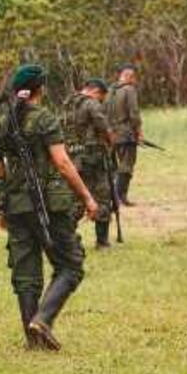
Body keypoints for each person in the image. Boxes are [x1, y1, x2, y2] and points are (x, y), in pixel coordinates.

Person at [0, 65, 100, 352]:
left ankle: (33, 339)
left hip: (15, 205)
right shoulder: (44, 119)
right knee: (70, 265)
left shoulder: (2, 125)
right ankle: (43, 319)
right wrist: (87, 197)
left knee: (26, 273)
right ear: (40, 89)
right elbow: (62, 163)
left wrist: (2, 208)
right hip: (50, 205)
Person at [64, 79, 116, 250]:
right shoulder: (91, 104)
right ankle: (102, 242)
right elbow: (102, 124)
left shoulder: (68, 103)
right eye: (101, 96)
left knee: (76, 199)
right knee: (102, 196)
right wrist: (110, 139)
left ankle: (63, 237)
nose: (100, 100)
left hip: (72, 158)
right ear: (95, 91)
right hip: (93, 158)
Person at [106, 64, 143, 206]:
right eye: (134, 78)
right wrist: (139, 132)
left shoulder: (109, 91)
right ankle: (119, 196)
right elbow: (134, 114)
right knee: (127, 165)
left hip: (111, 135)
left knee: (115, 167)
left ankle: (117, 196)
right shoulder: (129, 90)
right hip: (126, 134)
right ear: (129, 76)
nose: (135, 81)